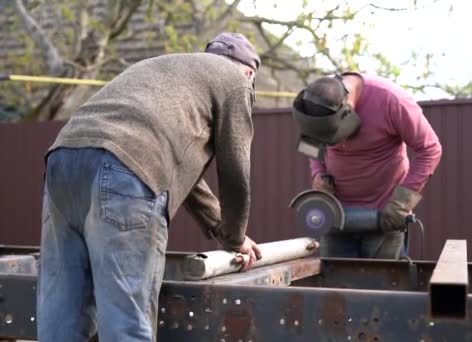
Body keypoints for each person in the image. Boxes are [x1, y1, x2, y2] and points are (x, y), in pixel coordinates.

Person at [37, 32, 262, 342]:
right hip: (125, 170)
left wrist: (220, 229)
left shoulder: (168, 68)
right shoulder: (237, 81)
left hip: (63, 160)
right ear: (249, 71)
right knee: (126, 322)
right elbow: (236, 173)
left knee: (62, 315)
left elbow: (180, 170)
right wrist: (236, 238)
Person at [291, 72, 442, 259]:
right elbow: (310, 145)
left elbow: (429, 149)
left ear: (348, 109)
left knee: (381, 286)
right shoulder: (317, 100)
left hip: (384, 215)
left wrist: (403, 201)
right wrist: (318, 174)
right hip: (334, 215)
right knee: (335, 287)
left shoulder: (391, 99)